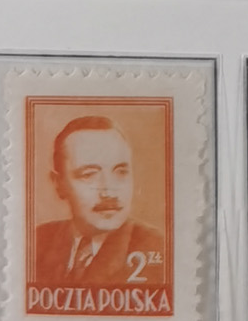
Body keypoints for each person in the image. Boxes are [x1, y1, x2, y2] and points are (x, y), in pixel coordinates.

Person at [31, 113, 167, 290]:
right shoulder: (36, 242)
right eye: (89, 175)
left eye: (120, 172)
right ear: (59, 184)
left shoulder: (161, 248)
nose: (109, 192)